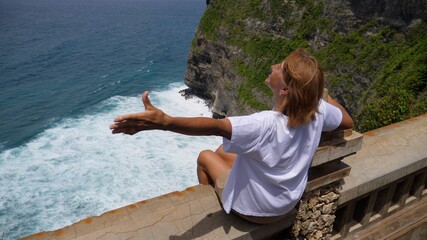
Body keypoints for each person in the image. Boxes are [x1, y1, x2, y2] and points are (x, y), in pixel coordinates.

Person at [109, 48, 353, 224]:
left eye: (281, 68)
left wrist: (165, 122)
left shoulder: (265, 124)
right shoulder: (317, 111)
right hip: (286, 201)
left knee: (206, 156)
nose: (274, 66)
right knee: (222, 152)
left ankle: (209, 203)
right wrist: (320, 95)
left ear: (285, 89)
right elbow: (346, 120)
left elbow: (214, 127)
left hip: (254, 209)